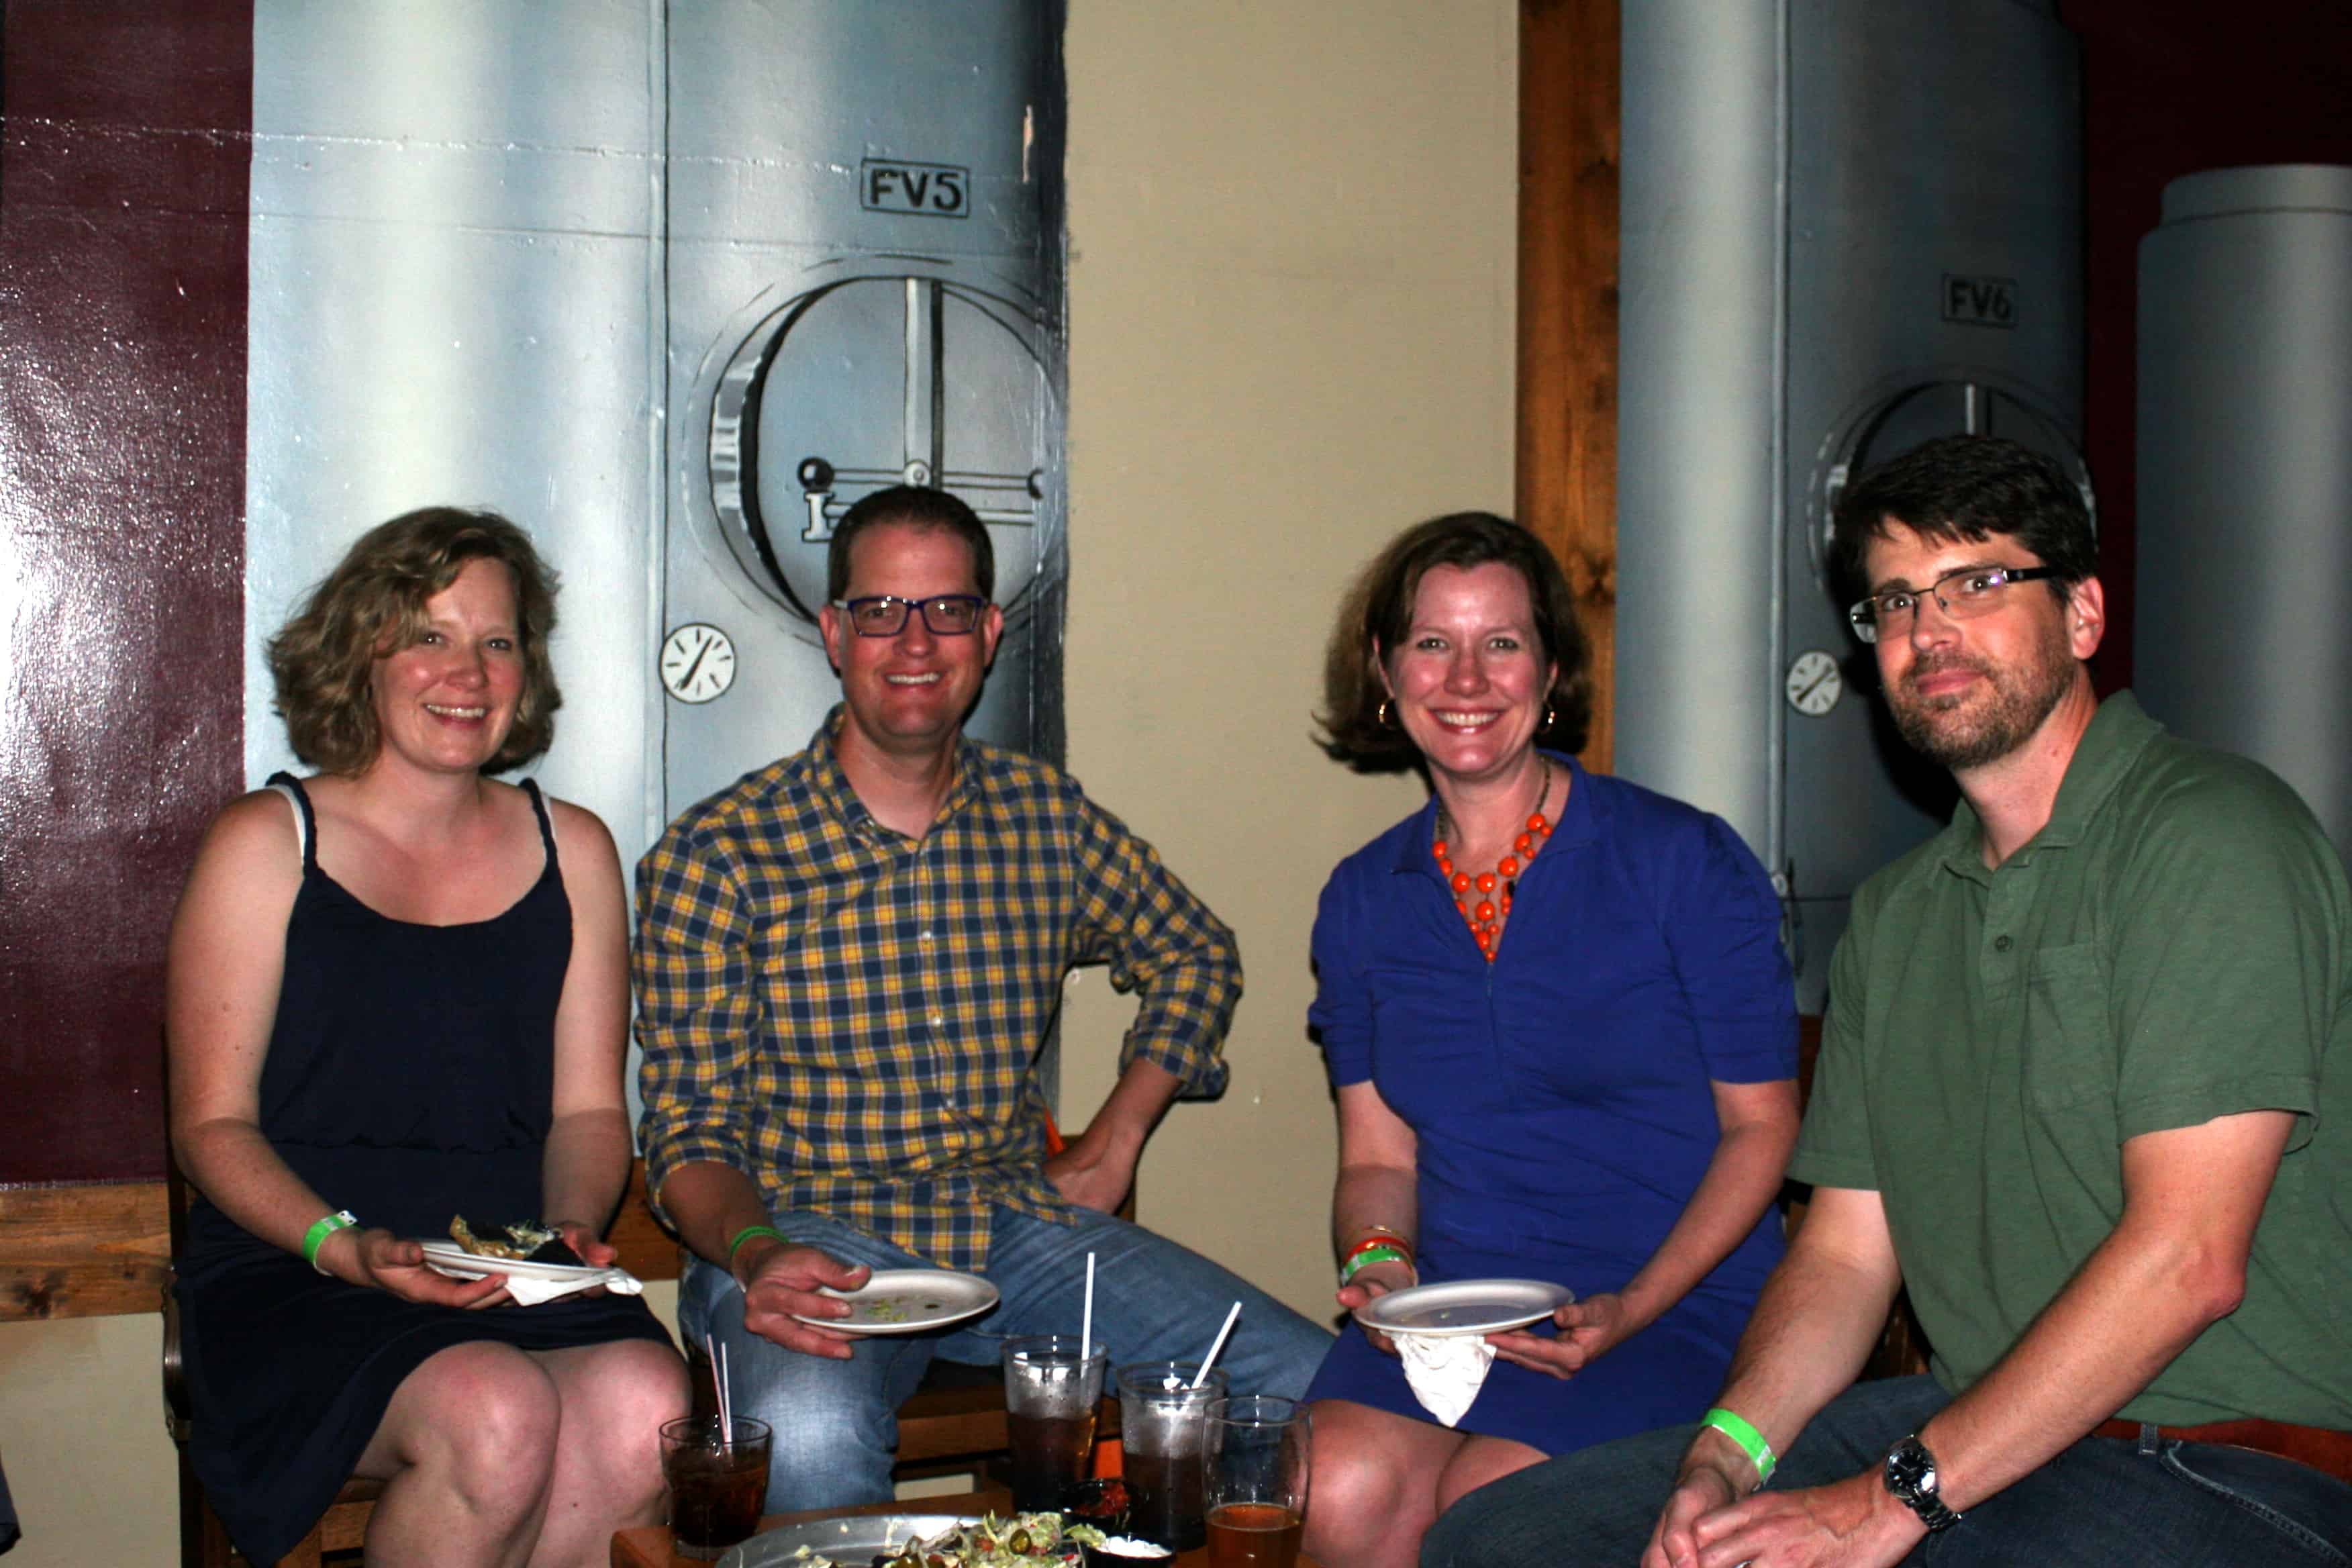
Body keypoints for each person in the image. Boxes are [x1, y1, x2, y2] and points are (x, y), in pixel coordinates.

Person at [1422, 435, 2352, 1568]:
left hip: (2227, 1459)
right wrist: (1725, 1457)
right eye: (1897, 601)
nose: (1930, 630)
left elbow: (2188, 1259)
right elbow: (1846, 1259)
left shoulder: (2213, 836)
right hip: (1977, 1426)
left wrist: (1883, 1504)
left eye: (1979, 583)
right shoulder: (1900, 915)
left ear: (2083, 615)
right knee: (1505, 1539)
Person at [635, 483, 1332, 1511]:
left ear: (990, 633)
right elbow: (689, 1134)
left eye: (948, 609)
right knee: (809, 1441)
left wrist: (1115, 1141)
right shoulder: (719, 855)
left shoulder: (1042, 816)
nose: (915, 642)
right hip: (805, 1237)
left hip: (1018, 1230)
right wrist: (757, 1250)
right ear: (835, 633)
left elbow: (1196, 952)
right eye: (881, 610)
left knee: (1314, 1385)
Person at [167, 509, 686, 1568]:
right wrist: (344, 1244)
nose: (469, 673)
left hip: (505, 1259)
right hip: (300, 1263)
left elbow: (591, 1112)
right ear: (360, 654)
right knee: (493, 1410)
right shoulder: (264, 844)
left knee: (652, 1404)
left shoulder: (576, 849)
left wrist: (567, 1232)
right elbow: (211, 1128)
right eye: (429, 636)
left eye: (497, 641)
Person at [1300, 511, 1802, 1568]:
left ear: (1553, 667)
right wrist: (1381, 1264)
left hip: (1677, 1300)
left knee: (1496, 1507)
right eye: (1432, 643)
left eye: (1503, 642)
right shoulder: (1362, 899)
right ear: (1385, 671)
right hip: (1456, 1304)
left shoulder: (1682, 861)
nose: (1467, 679)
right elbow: (1379, 1157)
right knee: (1327, 1484)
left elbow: (1763, 1131)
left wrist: (1635, 1306)